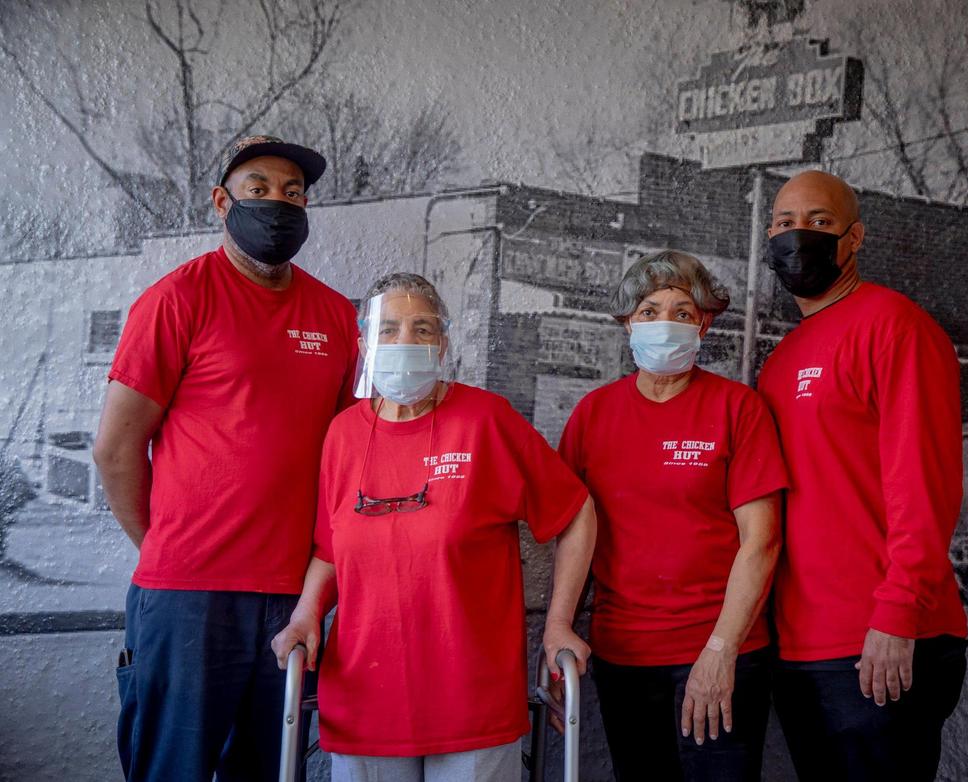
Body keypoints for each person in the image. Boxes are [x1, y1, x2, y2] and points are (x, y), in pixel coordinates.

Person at [93, 135, 359, 782]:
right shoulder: (177, 299)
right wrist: (165, 548)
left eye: (293, 193)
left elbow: (346, 453)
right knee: (173, 769)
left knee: (271, 769)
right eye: (258, 189)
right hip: (188, 596)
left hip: (294, 598)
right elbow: (115, 448)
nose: (277, 203)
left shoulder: (334, 315)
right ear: (222, 202)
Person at [270, 273, 596, 782]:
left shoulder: (485, 421)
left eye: (422, 329)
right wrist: (304, 614)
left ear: (442, 343)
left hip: (472, 704)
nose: (405, 341)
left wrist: (558, 623)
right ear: (364, 345)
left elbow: (575, 513)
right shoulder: (342, 435)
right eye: (388, 329)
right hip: (365, 701)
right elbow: (330, 549)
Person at [757, 170, 968, 781]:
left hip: (881, 640)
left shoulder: (895, 326)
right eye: (784, 223)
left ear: (854, 238)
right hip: (800, 644)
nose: (798, 235)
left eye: (819, 222)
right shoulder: (781, 360)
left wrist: (897, 614)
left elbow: (924, 483)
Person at [557, 250, 787, 781]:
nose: (665, 323)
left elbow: (762, 541)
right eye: (649, 311)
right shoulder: (593, 414)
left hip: (720, 650)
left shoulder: (737, 408)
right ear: (627, 323)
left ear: (703, 324)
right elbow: (572, 533)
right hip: (623, 655)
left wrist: (720, 651)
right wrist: (559, 626)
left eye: (682, 312)